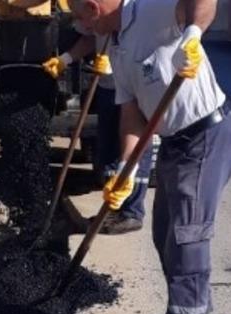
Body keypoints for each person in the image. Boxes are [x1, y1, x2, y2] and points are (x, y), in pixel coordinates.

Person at [69, 0, 231, 314]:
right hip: (175, 142)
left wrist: (192, 34)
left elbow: (203, 2)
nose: (82, 27)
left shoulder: (151, 9)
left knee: (186, 237)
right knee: (164, 233)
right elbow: (132, 116)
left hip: (205, 136)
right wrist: (126, 171)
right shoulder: (117, 47)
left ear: (94, 7)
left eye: (80, 18)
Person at [42, 32, 154, 235]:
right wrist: (65, 59)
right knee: (108, 149)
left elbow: (144, 44)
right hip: (107, 86)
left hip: (132, 86)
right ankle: (112, 210)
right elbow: (91, 37)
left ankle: (131, 212)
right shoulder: (96, 18)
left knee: (132, 146)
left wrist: (116, 63)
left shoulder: (132, 15)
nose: (83, 22)